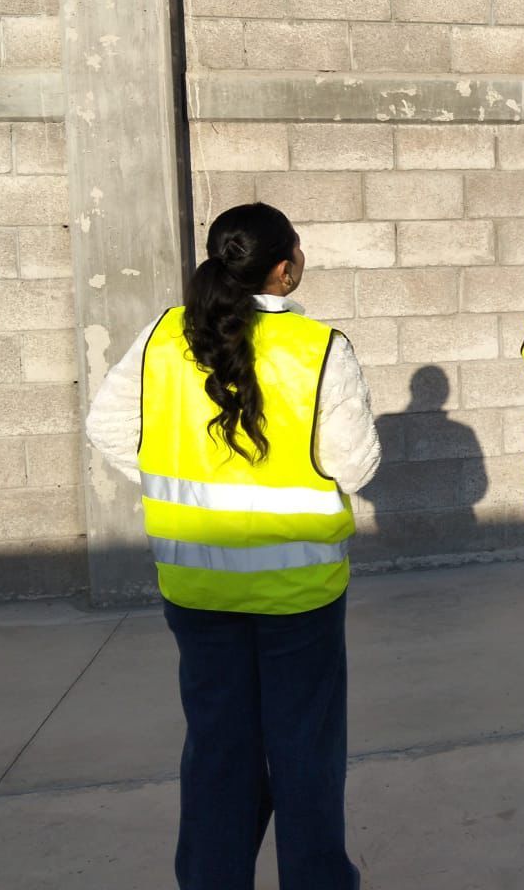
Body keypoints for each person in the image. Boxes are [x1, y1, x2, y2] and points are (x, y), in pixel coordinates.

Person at [86, 202, 381, 890]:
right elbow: (355, 467)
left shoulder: (164, 336)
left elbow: (107, 428)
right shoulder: (320, 351)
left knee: (220, 753)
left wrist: (179, 480)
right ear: (283, 271)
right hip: (299, 598)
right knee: (304, 755)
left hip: (197, 592)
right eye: (298, 250)